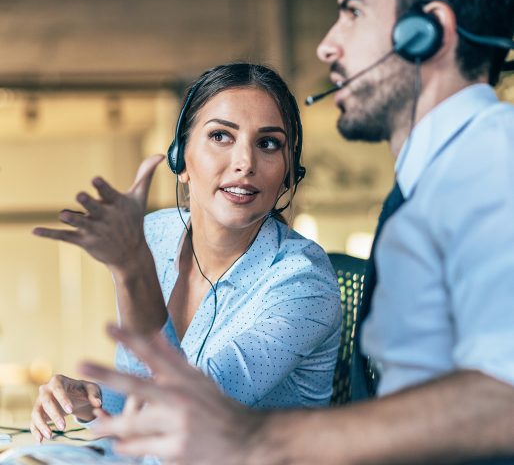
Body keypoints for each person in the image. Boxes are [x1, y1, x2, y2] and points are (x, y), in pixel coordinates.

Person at [80, 0, 514, 465]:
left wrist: (262, 439)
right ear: (182, 159)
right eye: (220, 137)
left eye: (353, 12)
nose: (327, 44)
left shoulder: (490, 163)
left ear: (426, 31)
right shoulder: (432, 182)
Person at [29, 63, 343, 442]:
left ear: (289, 173)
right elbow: (145, 389)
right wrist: (89, 399)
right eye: (221, 136)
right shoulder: (154, 235)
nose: (245, 162)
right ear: (181, 159)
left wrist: (132, 270)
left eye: (268, 143)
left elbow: (188, 409)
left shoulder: (303, 283)